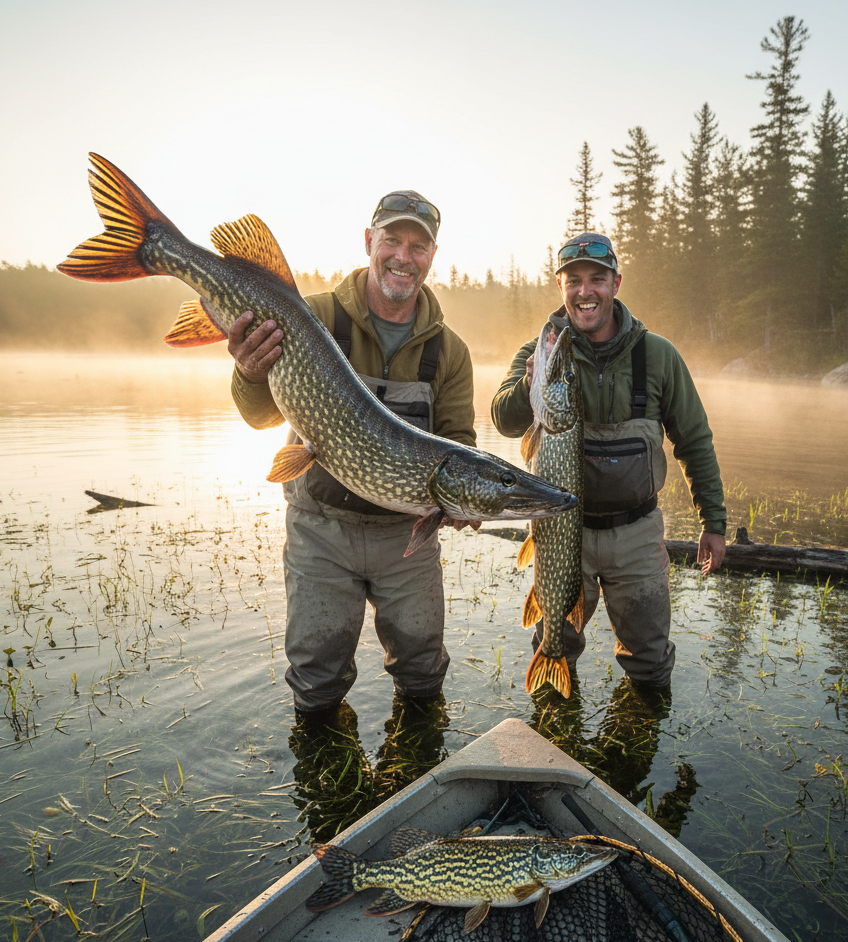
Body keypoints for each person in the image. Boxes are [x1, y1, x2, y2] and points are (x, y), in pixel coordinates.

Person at [228, 191, 477, 716]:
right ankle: (325, 784)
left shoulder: (448, 351)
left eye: (418, 246)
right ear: (369, 242)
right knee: (316, 681)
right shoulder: (313, 316)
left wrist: (467, 504)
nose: (403, 257)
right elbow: (259, 416)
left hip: (403, 539)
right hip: (322, 530)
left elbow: (461, 446)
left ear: (433, 256)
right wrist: (249, 372)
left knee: (422, 670)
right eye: (392, 240)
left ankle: (414, 765)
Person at [491, 232, 726, 690]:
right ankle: (555, 731)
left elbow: (694, 440)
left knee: (650, 662)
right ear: (560, 286)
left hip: (636, 535)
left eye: (596, 278)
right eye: (573, 280)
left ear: (616, 283)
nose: (585, 291)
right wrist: (528, 386)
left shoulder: (657, 355)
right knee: (555, 635)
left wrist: (713, 521)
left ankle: (638, 745)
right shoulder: (539, 352)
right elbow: (502, 418)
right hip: (562, 532)